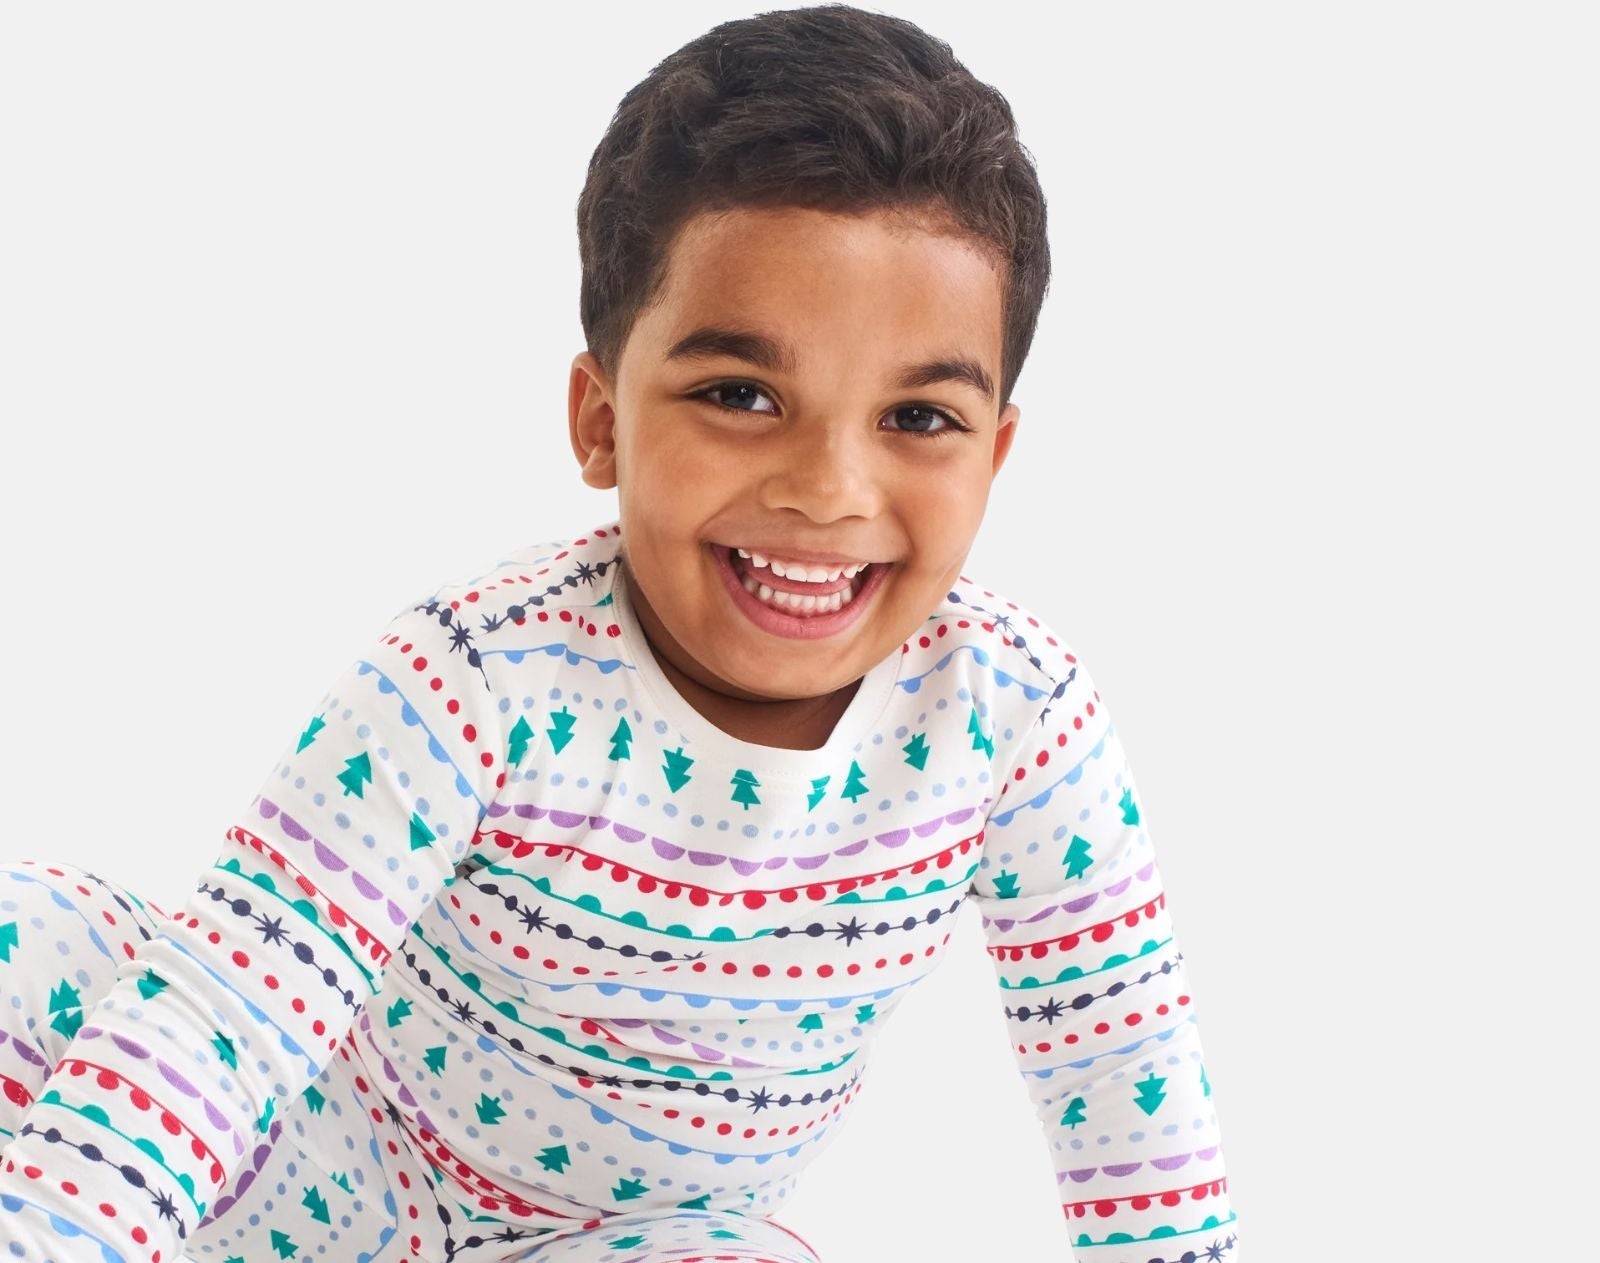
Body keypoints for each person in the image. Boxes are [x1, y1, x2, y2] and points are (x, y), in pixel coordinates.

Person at [0, 6, 1237, 1260]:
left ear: (995, 455)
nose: (828, 490)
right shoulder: (475, 674)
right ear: (601, 421)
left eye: (917, 419)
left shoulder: (1018, 718)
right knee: (28, 931)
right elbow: (227, 1014)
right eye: (740, 395)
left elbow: (1122, 1072)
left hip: (633, 1242)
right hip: (313, 1169)